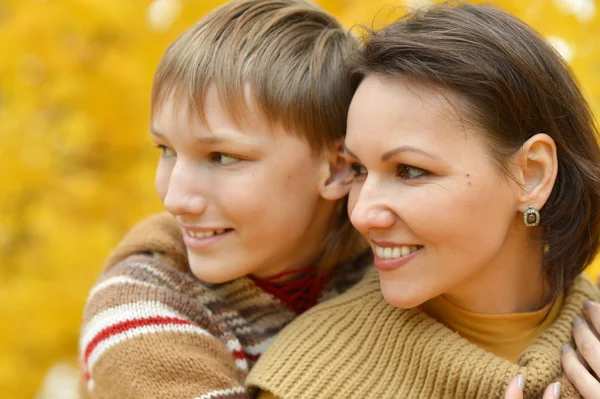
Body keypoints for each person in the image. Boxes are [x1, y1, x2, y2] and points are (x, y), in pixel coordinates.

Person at [246, 3, 600, 398]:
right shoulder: (308, 379)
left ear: (531, 174)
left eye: (409, 170)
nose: (362, 214)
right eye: (359, 169)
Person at [78, 1, 371, 398]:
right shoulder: (138, 305)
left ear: (339, 168)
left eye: (222, 157)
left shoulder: (391, 270)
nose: (176, 199)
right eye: (165, 149)